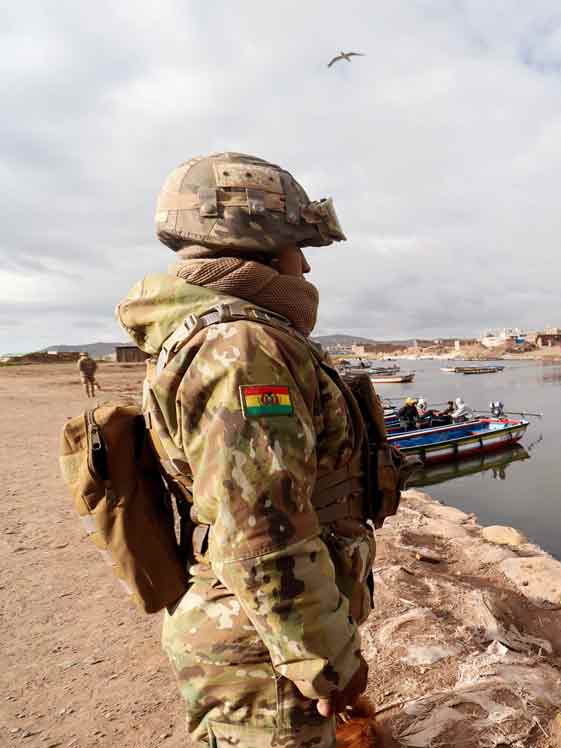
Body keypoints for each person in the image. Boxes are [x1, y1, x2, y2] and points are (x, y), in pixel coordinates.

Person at [116, 152, 373, 746]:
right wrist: (326, 661)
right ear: (256, 243)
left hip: (261, 638)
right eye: (297, 245)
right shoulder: (242, 345)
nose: (306, 266)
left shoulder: (225, 330)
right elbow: (263, 529)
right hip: (262, 653)